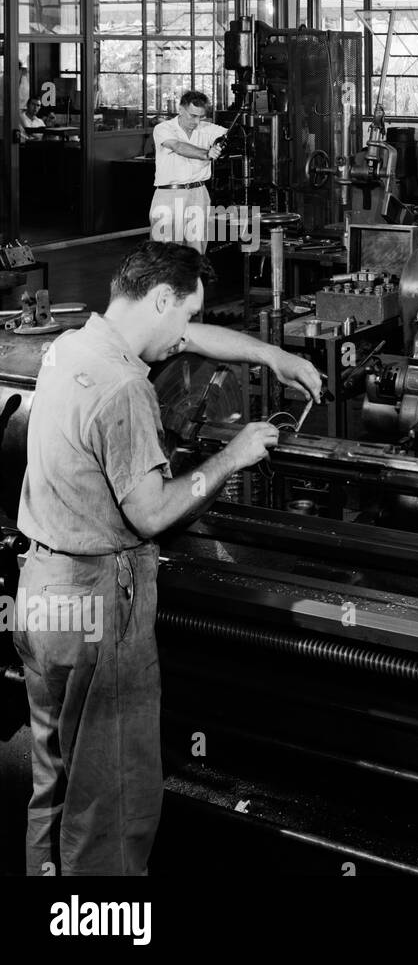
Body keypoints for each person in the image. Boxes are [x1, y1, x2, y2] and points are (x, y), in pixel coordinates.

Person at [13, 241, 323, 876]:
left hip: (42, 591)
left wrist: (271, 353)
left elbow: (182, 340)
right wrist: (233, 455)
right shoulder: (125, 387)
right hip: (99, 603)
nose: (186, 334)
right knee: (113, 803)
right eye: (184, 316)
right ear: (159, 300)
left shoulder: (74, 346)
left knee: (57, 780)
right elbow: (150, 514)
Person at [150, 90, 227, 254]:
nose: (197, 121)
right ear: (181, 110)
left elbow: (234, 135)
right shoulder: (163, 128)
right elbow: (178, 146)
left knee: (197, 251)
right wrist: (206, 153)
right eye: (193, 116)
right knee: (164, 254)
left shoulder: (207, 128)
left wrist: (222, 144)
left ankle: (196, 280)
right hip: (169, 195)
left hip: (198, 193)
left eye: (201, 117)